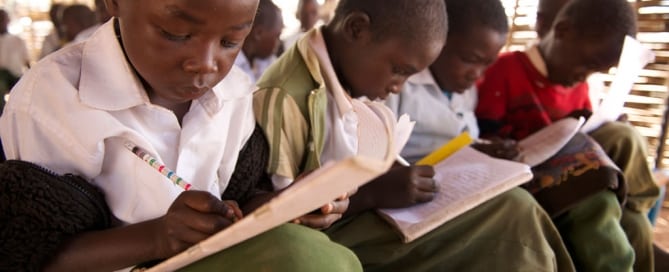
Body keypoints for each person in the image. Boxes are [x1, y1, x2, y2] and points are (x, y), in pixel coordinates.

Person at [0, 0, 362, 271]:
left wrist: (287, 205)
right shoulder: (48, 103)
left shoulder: (235, 92)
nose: (206, 63)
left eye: (231, 41)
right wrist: (156, 237)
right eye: (176, 34)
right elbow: (27, 251)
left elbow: (238, 202)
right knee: (301, 257)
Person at [254, 0, 575, 270]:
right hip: (330, 235)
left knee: (513, 207)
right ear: (356, 29)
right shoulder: (289, 96)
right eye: (399, 70)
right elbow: (284, 219)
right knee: (510, 214)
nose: (398, 86)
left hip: (359, 213)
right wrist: (371, 193)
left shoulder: (344, 74)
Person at [476, 0, 660, 270]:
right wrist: (499, 144)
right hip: (527, 175)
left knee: (633, 213)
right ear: (561, 31)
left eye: (594, 72)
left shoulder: (578, 87)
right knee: (595, 196)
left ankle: (635, 206)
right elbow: (483, 134)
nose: (583, 77)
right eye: (586, 65)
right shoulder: (505, 71)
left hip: (572, 168)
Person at [234, 0, 283, 83]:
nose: (279, 42)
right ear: (258, 33)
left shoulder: (266, 61)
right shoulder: (232, 66)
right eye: (277, 36)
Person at [0, 9, 29, 111]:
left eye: (3, 18)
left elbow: (26, 61)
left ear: (8, 20)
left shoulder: (17, 40)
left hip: (15, 75)